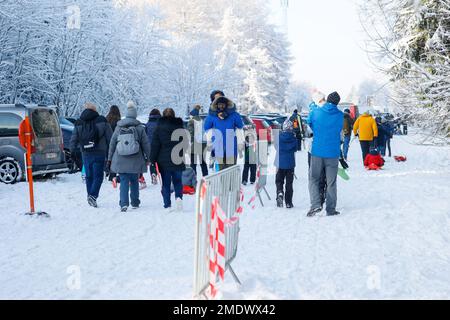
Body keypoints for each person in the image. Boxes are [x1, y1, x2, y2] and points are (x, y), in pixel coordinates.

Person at [107, 101, 150, 212]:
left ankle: (124, 204)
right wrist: (149, 158)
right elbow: (145, 144)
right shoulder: (139, 128)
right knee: (134, 180)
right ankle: (135, 202)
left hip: (120, 159)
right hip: (136, 159)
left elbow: (112, 143)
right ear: (135, 115)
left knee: (124, 180)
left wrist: (110, 158)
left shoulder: (118, 127)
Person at [306, 92, 344, 217]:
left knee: (314, 178)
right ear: (338, 102)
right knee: (331, 182)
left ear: (327, 99)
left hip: (317, 151)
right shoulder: (340, 115)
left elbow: (309, 124)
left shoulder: (316, 112)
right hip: (333, 153)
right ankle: (331, 209)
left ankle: (315, 204)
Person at [70, 102, 113, 208]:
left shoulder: (79, 122)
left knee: (89, 176)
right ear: (95, 110)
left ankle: (90, 195)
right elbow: (110, 137)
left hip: (85, 153)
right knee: (98, 176)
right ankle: (93, 196)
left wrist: (73, 150)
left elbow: (74, 138)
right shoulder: (102, 120)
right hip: (99, 152)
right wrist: (111, 151)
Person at [150, 108, 189, 210]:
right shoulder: (180, 127)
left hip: (163, 160)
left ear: (163, 115)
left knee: (166, 183)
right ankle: (179, 198)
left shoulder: (159, 128)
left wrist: (152, 159)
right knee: (177, 181)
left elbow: (155, 145)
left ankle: (167, 204)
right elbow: (185, 143)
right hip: (178, 158)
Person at [204, 95, 244, 170]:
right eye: (219, 104)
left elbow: (240, 125)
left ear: (227, 105)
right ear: (216, 105)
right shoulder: (212, 116)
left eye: (223, 104)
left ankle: (232, 182)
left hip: (231, 146)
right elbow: (206, 127)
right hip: (219, 146)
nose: (221, 106)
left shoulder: (233, 115)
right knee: (222, 171)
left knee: (231, 170)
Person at [274, 120, 298, 208]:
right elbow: (296, 149)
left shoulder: (279, 137)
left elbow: (276, 147)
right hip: (290, 164)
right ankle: (288, 202)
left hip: (280, 163)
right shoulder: (293, 138)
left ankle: (280, 192)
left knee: (279, 181)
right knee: (289, 183)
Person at [187, 105, 208, 177]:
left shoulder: (191, 121)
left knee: (193, 163)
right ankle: (206, 177)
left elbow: (191, 133)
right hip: (203, 144)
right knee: (202, 162)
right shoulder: (202, 121)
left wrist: (191, 141)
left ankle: (193, 178)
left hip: (195, 144)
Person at [105, 105, 122, 186]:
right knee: (115, 159)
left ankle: (108, 172)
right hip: (116, 142)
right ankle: (113, 175)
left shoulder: (106, 119)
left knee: (109, 158)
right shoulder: (119, 121)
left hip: (107, 142)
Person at [146, 108, 162, 184]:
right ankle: (160, 172)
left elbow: (145, 135)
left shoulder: (147, 124)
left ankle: (153, 173)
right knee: (159, 160)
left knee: (152, 161)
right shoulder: (161, 123)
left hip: (150, 145)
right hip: (159, 144)